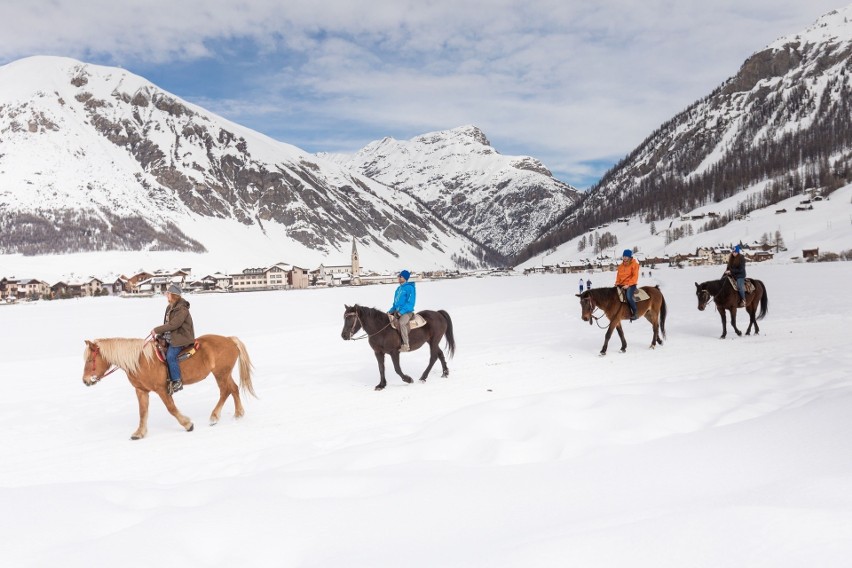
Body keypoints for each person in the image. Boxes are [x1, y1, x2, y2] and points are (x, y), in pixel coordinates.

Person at [152, 284, 195, 393]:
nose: (167, 295)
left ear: (174, 295)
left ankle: (177, 381)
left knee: (171, 356)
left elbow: (174, 325)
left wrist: (157, 330)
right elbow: (167, 324)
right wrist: (160, 335)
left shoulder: (182, 309)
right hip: (171, 336)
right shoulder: (169, 307)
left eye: (168, 293)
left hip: (181, 338)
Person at [388, 270, 416, 351]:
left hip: (407, 312)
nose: (399, 278)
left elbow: (411, 303)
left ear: (405, 278)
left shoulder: (410, 288)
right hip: (397, 311)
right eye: (399, 276)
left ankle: (406, 345)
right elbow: (395, 304)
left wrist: (401, 312)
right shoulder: (398, 289)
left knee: (401, 323)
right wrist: (390, 311)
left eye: (401, 276)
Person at [615, 249, 640, 320]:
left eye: (626, 256)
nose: (625, 258)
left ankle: (635, 313)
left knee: (629, 296)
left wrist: (628, 285)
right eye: (624, 256)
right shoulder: (620, 266)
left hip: (631, 285)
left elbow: (635, 276)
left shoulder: (634, 265)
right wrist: (617, 282)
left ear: (630, 257)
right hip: (621, 284)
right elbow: (618, 276)